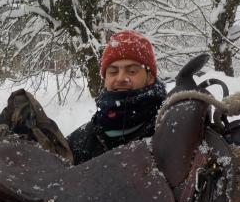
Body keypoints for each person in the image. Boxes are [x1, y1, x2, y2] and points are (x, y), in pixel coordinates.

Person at [67, 30, 167, 164]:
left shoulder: (169, 130)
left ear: (150, 77)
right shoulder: (78, 142)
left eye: (132, 71)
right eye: (113, 72)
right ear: (105, 78)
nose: (121, 78)